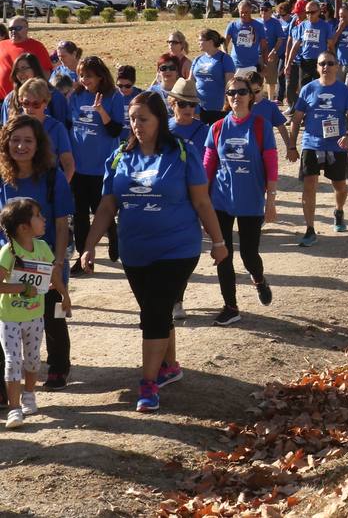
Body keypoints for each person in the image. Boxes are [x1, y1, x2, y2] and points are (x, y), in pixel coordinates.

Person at [81, 93, 227, 413]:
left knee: (154, 312)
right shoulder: (120, 156)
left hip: (178, 247)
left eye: (143, 118)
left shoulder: (183, 153)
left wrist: (218, 242)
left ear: (160, 119)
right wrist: (89, 246)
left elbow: (202, 202)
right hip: (135, 251)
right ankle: (170, 365)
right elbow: (107, 206)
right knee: (155, 309)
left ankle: (147, 384)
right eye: (132, 119)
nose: (136, 125)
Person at [0, 116, 76, 390]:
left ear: (38, 144)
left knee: (52, 313)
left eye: (28, 140)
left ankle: (58, 367)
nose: (21, 146)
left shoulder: (53, 177)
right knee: (7, 316)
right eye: (15, 140)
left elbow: (60, 223)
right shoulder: (2, 176)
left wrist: (58, 261)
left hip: (45, 259)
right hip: (10, 261)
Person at [203, 76, 278, 326]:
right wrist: (200, 201)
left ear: (251, 96)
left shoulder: (260, 126)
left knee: (249, 255)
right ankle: (230, 306)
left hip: (251, 200)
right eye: (231, 92)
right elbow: (207, 168)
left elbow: (271, 164)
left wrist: (271, 200)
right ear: (226, 97)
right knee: (223, 254)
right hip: (221, 200)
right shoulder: (216, 128)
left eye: (242, 92)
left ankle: (258, 278)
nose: (236, 96)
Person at [1, 198, 68, 428]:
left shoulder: (42, 248)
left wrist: (64, 295)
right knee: (12, 361)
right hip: (9, 318)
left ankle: (29, 395)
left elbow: (53, 275)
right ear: (23, 227)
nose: (44, 219)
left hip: (34, 316)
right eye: (38, 215)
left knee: (32, 359)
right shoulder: (7, 252)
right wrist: (21, 288)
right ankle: (14, 408)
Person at [286, 53, 348, 244]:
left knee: (340, 187)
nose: (326, 66)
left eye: (330, 63)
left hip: (336, 146)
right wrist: (292, 146)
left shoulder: (344, 91)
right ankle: (310, 229)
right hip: (311, 143)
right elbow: (296, 120)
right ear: (317, 67)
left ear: (337, 66)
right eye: (322, 64)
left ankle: (339, 210)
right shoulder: (308, 89)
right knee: (309, 185)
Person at [68, 56, 125, 270]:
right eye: (81, 75)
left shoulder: (113, 97)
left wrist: (101, 112)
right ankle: (82, 258)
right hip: (78, 166)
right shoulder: (76, 95)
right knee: (80, 214)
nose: (83, 79)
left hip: (102, 166)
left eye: (88, 76)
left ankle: (113, 233)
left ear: (100, 77)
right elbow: (68, 124)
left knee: (100, 209)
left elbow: (116, 131)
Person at [15, 79, 75, 182]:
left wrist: (60, 188)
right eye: (26, 103)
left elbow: (68, 164)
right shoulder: (14, 125)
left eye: (36, 104)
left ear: (45, 103)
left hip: (46, 185)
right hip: (18, 184)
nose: (30, 108)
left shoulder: (57, 128)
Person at [286, 1, 335, 90]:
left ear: (319, 12)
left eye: (312, 12)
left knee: (320, 88)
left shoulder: (326, 26)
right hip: (305, 61)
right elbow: (295, 46)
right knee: (304, 88)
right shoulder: (302, 25)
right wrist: (288, 63)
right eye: (307, 12)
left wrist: (333, 62)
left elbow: (331, 46)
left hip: (320, 62)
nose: (309, 15)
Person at [0, 17, 53, 100]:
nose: (13, 31)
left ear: (26, 29)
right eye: (11, 29)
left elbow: (46, 74)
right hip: (2, 99)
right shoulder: (1, 45)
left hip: (25, 99)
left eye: (18, 28)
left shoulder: (37, 46)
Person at [192, 29, 236, 125]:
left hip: (218, 108)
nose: (198, 43)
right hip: (199, 108)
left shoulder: (224, 58)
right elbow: (190, 81)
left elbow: (230, 84)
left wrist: (227, 103)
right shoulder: (197, 59)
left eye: (201, 40)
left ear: (210, 41)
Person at [167, 78, 209, 153]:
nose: (188, 108)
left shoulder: (206, 131)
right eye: (182, 104)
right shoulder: (163, 128)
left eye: (192, 104)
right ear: (172, 104)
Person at [259, 1, 284, 102]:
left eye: (266, 10)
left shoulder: (275, 23)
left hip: (270, 55)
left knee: (271, 80)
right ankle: (258, 100)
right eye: (262, 9)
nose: (264, 12)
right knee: (258, 79)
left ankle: (270, 100)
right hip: (258, 54)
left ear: (270, 11)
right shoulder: (257, 22)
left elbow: (280, 39)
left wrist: (274, 51)